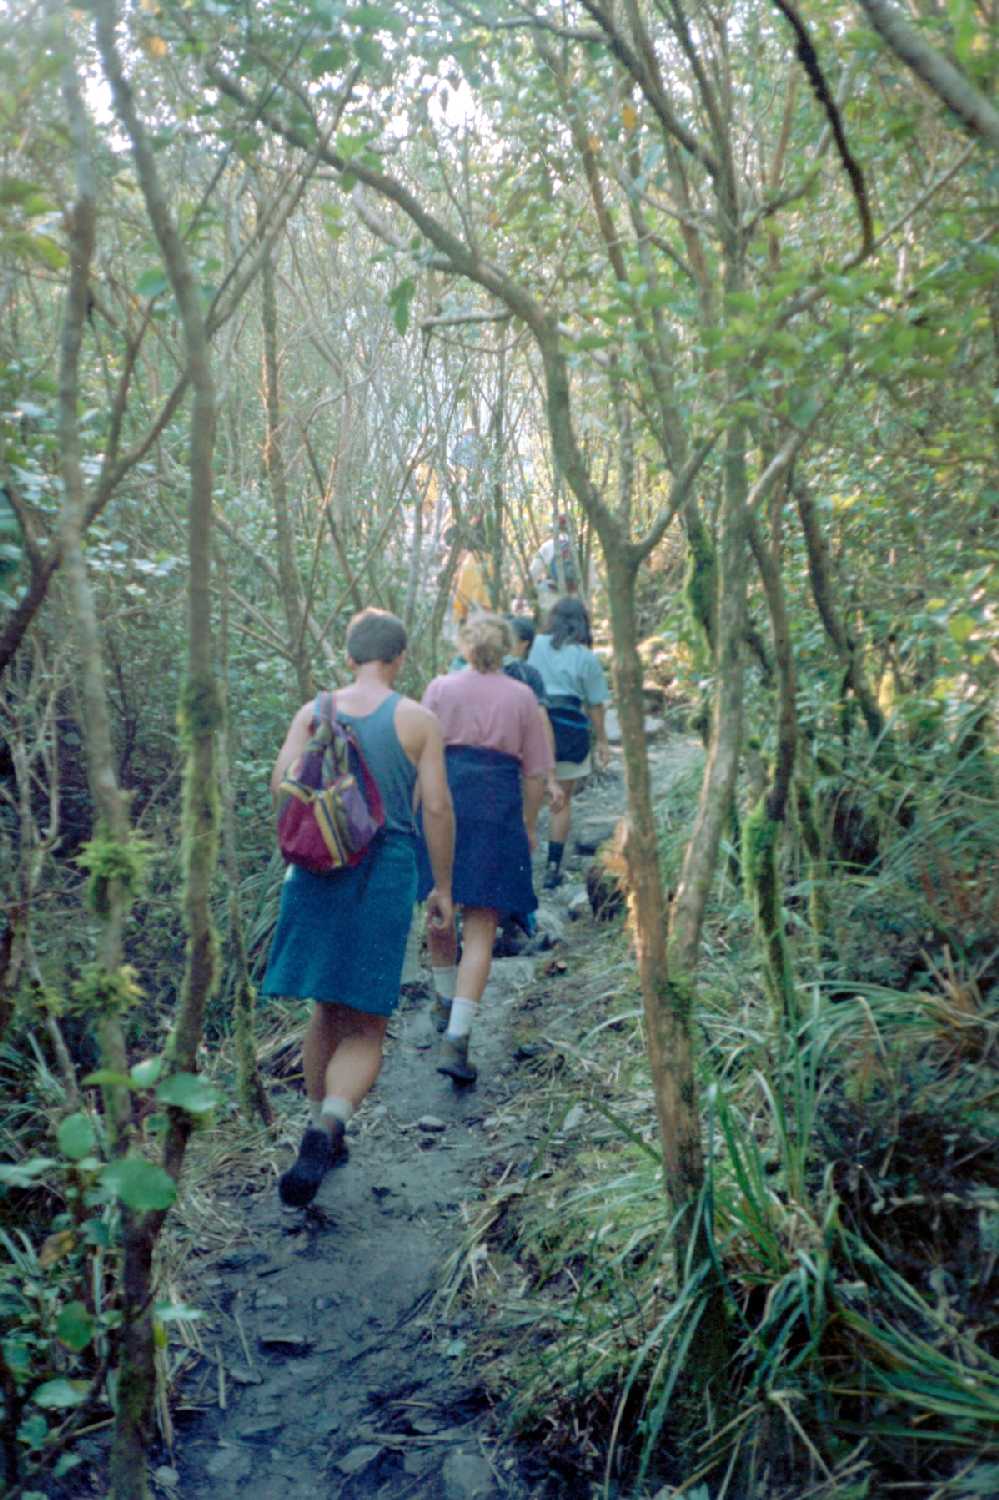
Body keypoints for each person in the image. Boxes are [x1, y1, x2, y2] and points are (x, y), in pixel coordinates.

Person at [262, 609, 454, 1208]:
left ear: (349, 657)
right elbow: (438, 809)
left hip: (318, 870)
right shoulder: (418, 720)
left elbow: (280, 784)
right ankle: (329, 1126)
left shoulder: (314, 711)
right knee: (368, 1020)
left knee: (324, 1010)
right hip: (385, 871)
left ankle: (319, 1124)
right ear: (400, 658)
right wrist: (441, 888)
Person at [418, 614, 554, 1084]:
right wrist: (528, 824)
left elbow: (418, 755)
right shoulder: (521, 696)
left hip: (445, 799)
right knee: (482, 927)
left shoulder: (438, 688)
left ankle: (441, 996)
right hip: (497, 804)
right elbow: (536, 773)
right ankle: (457, 1037)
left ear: (466, 645)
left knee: (440, 899)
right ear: (508, 649)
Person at [528, 596, 611, 889]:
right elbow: (596, 704)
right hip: (568, 731)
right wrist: (602, 741)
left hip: (530, 727)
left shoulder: (533, 645)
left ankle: (520, 863)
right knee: (561, 802)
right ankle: (553, 866)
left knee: (527, 797)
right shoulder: (586, 657)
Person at [529, 514, 581, 617]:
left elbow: (533, 573)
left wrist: (535, 588)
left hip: (552, 596)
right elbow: (591, 580)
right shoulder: (580, 548)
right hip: (576, 597)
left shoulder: (547, 546)